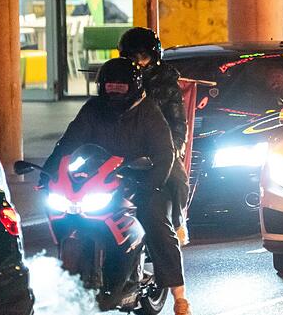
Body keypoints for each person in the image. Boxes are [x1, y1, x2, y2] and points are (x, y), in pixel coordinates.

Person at [42, 58, 191, 315]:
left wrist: (151, 183)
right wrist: (48, 173)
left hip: (145, 179)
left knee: (154, 219)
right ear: (101, 87)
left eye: (120, 87)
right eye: (110, 86)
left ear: (133, 87)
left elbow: (164, 153)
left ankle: (179, 296)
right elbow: (68, 143)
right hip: (102, 179)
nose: (114, 92)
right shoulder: (92, 109)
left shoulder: (148, 112)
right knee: (67, 210)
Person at [119, 27, 190, 247]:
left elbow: (178, 122)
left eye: (143, 57)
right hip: (122, 146)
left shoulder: (166, 83)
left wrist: (174, 147)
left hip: (159, 145)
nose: (138, 62)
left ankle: (178, 222)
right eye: (132, 57)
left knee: (178, 179)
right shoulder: (117, 79)